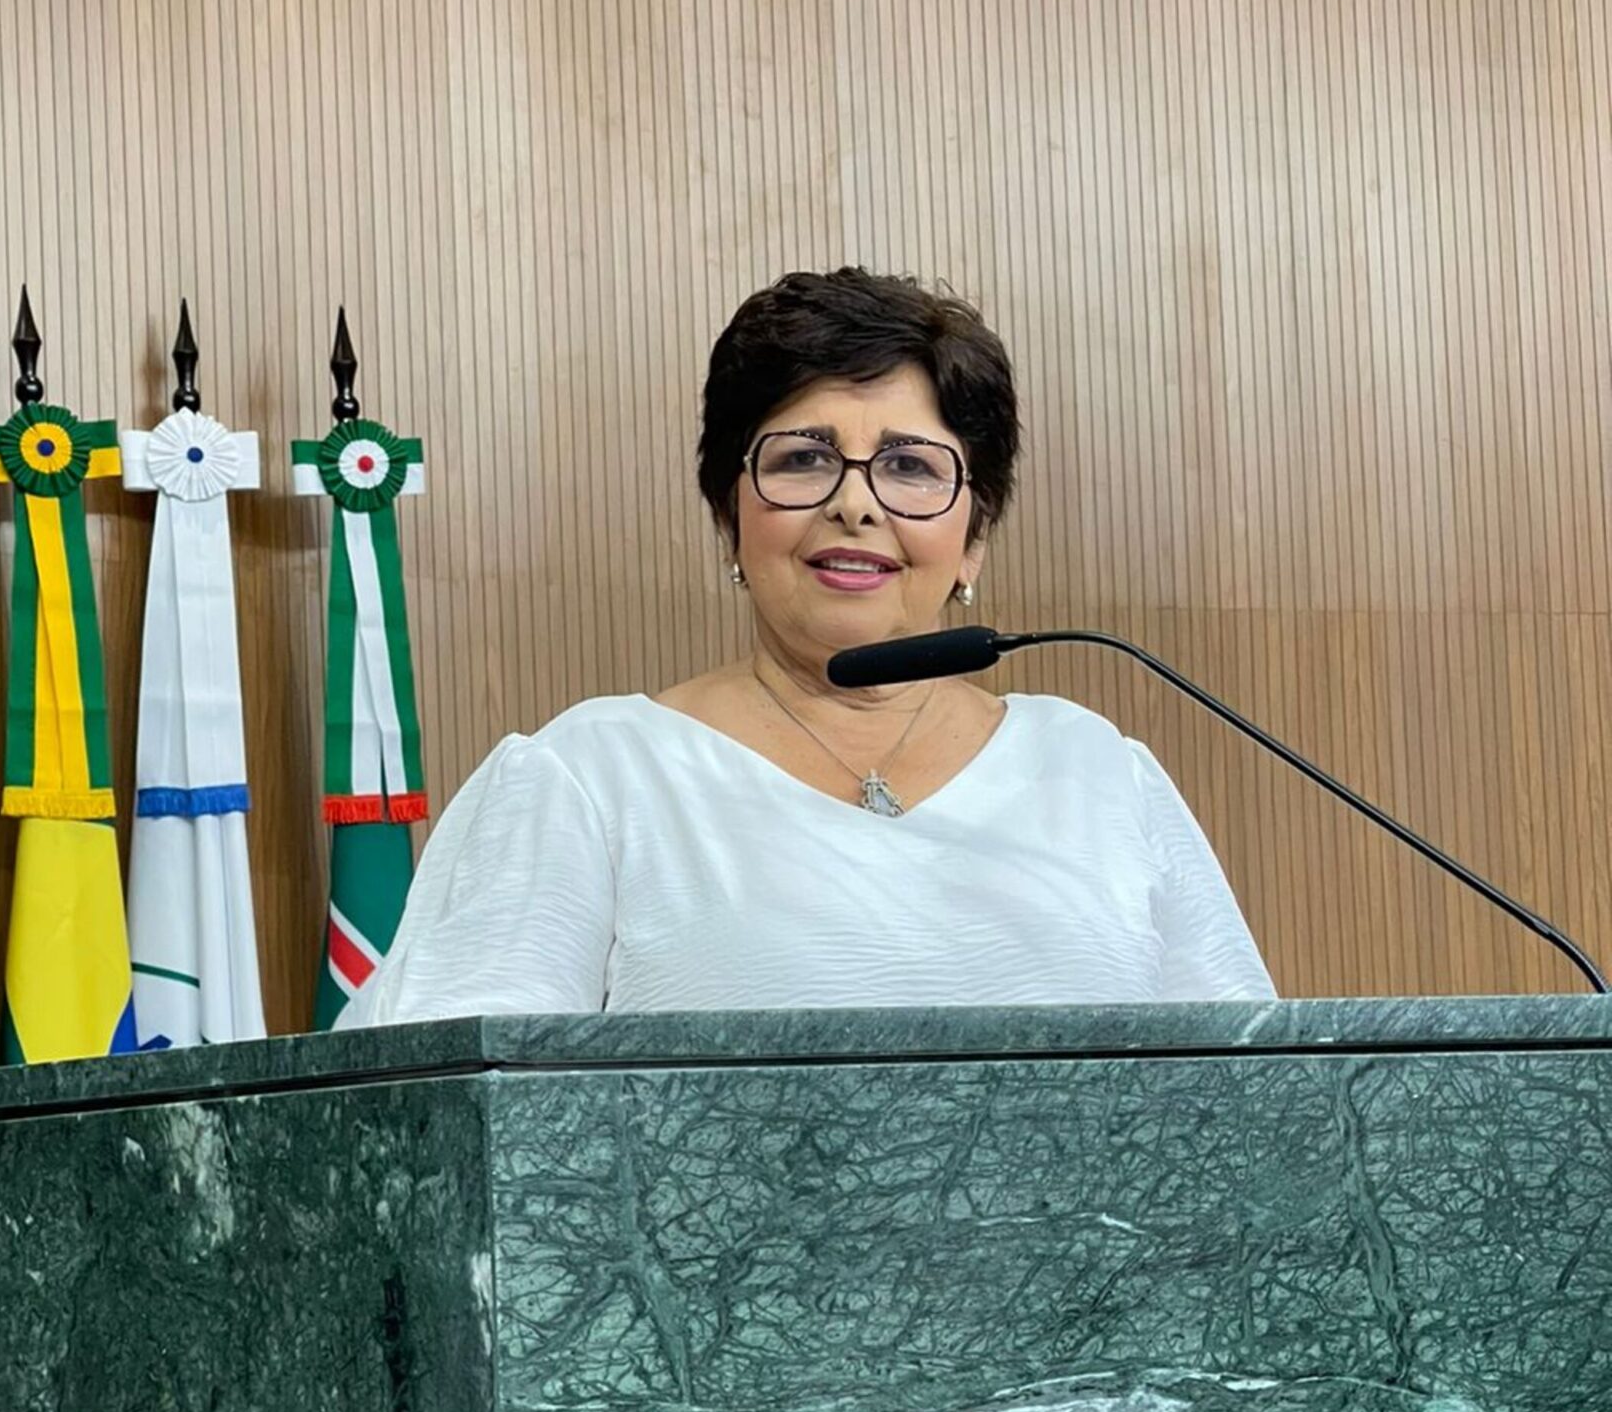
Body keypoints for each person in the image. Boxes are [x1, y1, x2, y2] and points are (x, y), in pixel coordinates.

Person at [336, 267, 1273, 1022]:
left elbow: (1262, 1104)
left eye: (910, 465)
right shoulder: (589, 778)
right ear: (729, 517)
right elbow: (450, 1123)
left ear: (974, 536)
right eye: (804, 459)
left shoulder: (1099, 775)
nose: (855, 503)